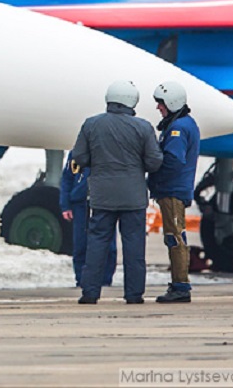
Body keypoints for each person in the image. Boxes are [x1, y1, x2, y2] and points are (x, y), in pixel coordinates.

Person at [71, 80, 163, 305]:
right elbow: (154, 161)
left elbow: (80, 157)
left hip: (102, 196)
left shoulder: (91, 124)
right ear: (132, 100)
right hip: (133, 198)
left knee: (97, 243)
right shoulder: (143, 127)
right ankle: (134, 294)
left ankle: (90, 292)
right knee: (134, 247)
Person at [147, 80, 200, 304]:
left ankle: (180, 285)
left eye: (161, 104)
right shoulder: (182, 124)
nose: (159, 108)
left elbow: (173, 161)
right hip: (173, 189)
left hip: (172, 191)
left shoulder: (178, 128)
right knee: (175, 235)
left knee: (174, 237)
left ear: (171, 102)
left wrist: (153, 174)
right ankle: (179, 283)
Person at [59, 151, 116, 289]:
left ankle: (105, 279)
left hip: (105, 203)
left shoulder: (109, 149)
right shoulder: (77, 153)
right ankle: (81, 279)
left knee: (109, 244)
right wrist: (65, 205)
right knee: (81, 243)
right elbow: (67, 178)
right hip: (80, 203)